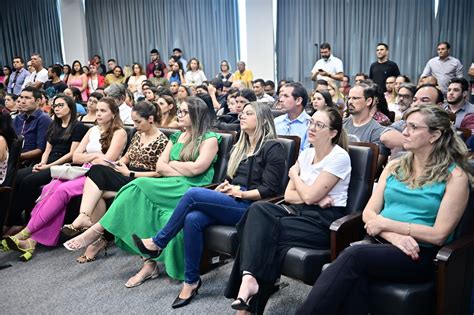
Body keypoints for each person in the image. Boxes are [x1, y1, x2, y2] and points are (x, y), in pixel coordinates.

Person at [296, 105, 471, 314]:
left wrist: (385, 223)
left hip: (418, 253)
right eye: (406, 125)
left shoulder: (455, 177)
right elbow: (369, 214)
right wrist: (393, 236)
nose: (404, 132)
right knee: (355, 279)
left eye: (414, 127)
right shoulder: (394, 166)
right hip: (382, 242)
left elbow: (438, 235)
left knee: (354, 256)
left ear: (435, 135)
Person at [133, 102, 286, 308]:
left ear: (262, 120)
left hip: (254, 208)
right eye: (242, 113)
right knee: (192, 218)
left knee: (193, 194)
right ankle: (191, 281)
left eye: (248, 114)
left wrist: (239, 192)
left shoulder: (272, 147)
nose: (241, 116)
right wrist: (226, 186)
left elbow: (270, 189)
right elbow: (234, 179)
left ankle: (158, 242)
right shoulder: (241, 146)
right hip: (234, 199)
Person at [63, 97, 220, 283]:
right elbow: (161, 166)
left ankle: (96, 231)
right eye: (180, 111)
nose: (180, 115)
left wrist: (175, 163)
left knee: (136, 186)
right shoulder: (177, 136)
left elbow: (197, 170)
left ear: (197, 114)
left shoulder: (209, 139)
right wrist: (180, 167)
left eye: (184, 112)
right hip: (170, 183)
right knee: (134, 194)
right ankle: (148, 263)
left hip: (192, 188)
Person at [225, 106, 351, 314]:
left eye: (319, 125)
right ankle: (248, 278)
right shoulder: (306, 153)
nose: (312, 128)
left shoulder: (339, 157)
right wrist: (313, 196)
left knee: (262, 235)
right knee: (258, 211)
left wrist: (295, 177)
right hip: (299, 213)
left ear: (333, 133)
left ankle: (245, 306)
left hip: (322, 223)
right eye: (311, 122)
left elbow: (306, 195)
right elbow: (290, 195)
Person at [5, 97, 127, 261]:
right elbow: (76, 156)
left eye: (103, 110)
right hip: (82, 170)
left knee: (63, 190)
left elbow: (108, 160)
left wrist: (92, 157)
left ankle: (26, 233)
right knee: (51, 187)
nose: (98, 113)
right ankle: (32, 240)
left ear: (113, 114)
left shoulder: (120, 132)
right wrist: (96, 155)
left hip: (101, 175)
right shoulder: (92, 130)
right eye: (97, 110)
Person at [62, 101, 169, 263]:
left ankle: (94, 234)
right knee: (97, 171)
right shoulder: (139, 134)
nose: (135, 125)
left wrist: (130, 173)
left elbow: (159, 173)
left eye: (138, 122)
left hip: (144, 180)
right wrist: (120, 164)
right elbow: (127, 157)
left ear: (151, 119)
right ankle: (87, 221)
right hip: (127, 174)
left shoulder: (162, 141)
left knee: (98, 189)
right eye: (134, 122)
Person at [4, 95, 87, 237]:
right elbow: (47, 150)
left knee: (28, 181)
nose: (57, 108)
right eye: (55, 106)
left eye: (61, 105)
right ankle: (12, 219)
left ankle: (21, 223)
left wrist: (49, 166)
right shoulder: (54, 125)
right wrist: (43, 163)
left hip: (64, 165)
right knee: (15, 177)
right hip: (48, 162)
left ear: (70, 107)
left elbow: (72, 154)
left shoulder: (78, 127)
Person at [13, 87, 52, 164]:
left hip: (29, 162)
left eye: (27, 98)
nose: (22, 101)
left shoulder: (44, 119)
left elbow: (40, 149)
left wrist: (16, 156)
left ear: (37, 101)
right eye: (21, 97)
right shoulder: (18, 118)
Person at [274, 82, 311, 151]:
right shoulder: (276, 121)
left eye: (286, 96)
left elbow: (308, 155)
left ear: (298, 101)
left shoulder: (310, 124)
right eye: (281, 96)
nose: (281, 100)